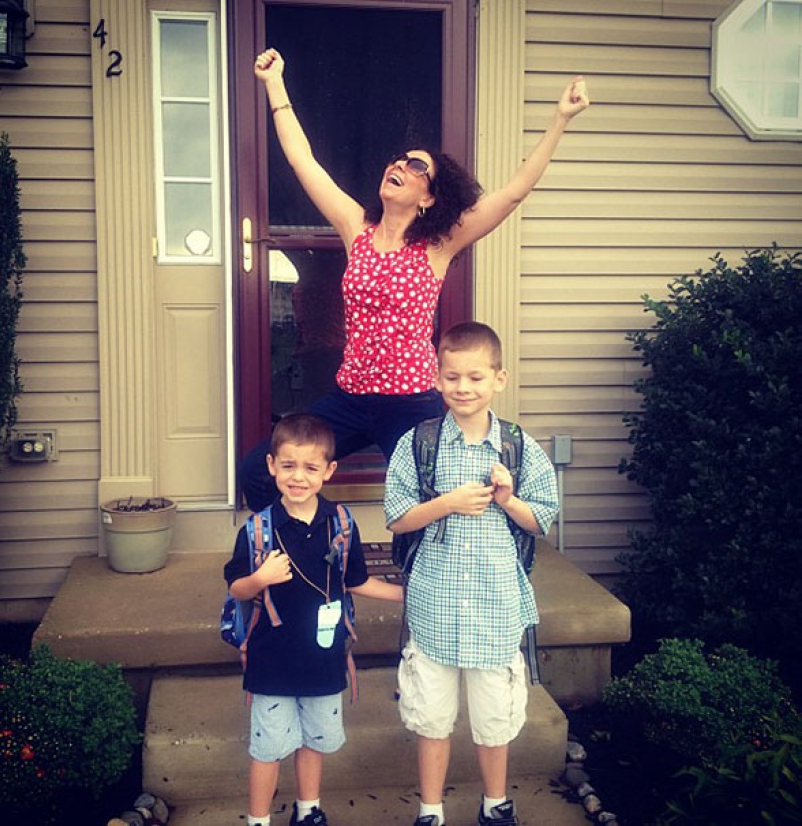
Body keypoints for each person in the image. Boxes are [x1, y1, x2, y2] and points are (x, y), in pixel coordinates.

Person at [240, 48, 589, 511]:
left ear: (428, 197)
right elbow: (304, 162)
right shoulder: (355, 228)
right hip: (349, 397)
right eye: (398, 160)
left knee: (427, 500)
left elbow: (512, 193)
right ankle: (297, 550)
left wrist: (560, 120)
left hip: (410, 403)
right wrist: (275, 85)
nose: (400, 166)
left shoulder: (438, 244)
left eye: (416, 166)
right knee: (257, 470)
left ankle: (422, 578)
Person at [384, 322, 560, 826]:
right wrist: (445, 503)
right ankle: (431, 811)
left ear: (499, 379)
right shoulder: (418, 444)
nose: (464, 388)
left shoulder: (517, 448)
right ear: (437, 378)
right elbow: (397, 516)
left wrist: (509, 500)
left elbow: (540, 519)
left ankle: (494, 804)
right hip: (434, 607)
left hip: (495, 608)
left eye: (476, 377)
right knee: (432, 717)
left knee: (493, 719)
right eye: (453, 376)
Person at [224, 413, 405, 826]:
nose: (298, 477)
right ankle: (258, 819)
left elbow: (356, 580)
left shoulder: (340, 524)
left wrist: (407, 595)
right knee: (267, 748)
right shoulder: (256, 530)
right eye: (288, 466)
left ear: (329, 471)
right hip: (272, 660)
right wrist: (259, 578)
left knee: (314, 742)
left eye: (310, 467)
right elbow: (236, 588)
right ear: (271, 466)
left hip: (325, 657)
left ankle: (308, 811)